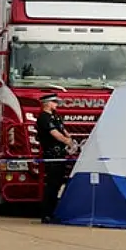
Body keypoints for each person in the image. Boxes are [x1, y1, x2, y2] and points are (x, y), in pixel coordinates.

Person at [35, 93, 77, 223]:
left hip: (61, 154)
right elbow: (55, 134)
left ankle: (53, 212)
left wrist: (71, 140)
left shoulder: (56, 117)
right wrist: (67, 142)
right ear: (47, 103)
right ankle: (46, 214)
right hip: (52, 154)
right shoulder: (44, 117)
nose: (56, 104)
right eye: (54, 102)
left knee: (58, 183)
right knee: (52, 184)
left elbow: (63, 130)